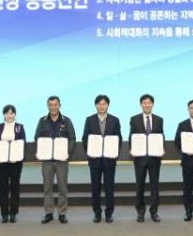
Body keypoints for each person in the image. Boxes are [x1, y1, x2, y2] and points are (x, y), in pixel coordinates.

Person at [35, 96, 76, 224]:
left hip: (61, 161)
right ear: (48, 106)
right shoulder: (42, 121)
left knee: (62, 189)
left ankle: (62, 213)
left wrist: (67, 152)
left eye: (55, 105)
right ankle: (49, 213)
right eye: (51, 105)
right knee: (47, 189)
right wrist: (40, 150)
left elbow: (72, 138)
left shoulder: (66, 121)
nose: (53, 107)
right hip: (47, 161)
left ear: (59, 105)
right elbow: (37, 138)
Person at [82, 94, 122, 223]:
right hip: (95, 160)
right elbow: (85, 138)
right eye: (99, 104)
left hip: (109, 160)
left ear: (108, 105)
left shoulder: (115, 120)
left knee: (109, 188)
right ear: (96, 105)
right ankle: (97, 213)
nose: (102, 106)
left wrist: (114, 152)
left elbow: (118, 139)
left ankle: (109, 214)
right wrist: (91, 151)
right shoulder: (89, 120)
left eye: (104, 104)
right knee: (95, 188)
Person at [129, 94, 164, 222]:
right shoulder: (134, 119)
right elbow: (132, 136)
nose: (147, 105)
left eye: (149, 102)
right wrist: (132, 149)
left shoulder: (159, 119)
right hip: (140, 158)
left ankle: (154, 212)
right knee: (140, 186)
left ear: (152, 104)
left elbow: (161, 136)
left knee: (155, 186)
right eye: (144, 102)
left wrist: (162, 148)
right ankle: (140, 212)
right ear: (141, 104)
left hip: (155, 157)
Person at [0, 104, 26, 223]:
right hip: (2, 162)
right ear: (4, 115)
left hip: (16, 162)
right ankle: (4, 214)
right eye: (7, 113)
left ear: (15, 114)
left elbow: (22, 143)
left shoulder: (20, 127)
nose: (9, 115)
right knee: (3, 187)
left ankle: (13, 213)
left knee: (15, 187)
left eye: (11, 113)